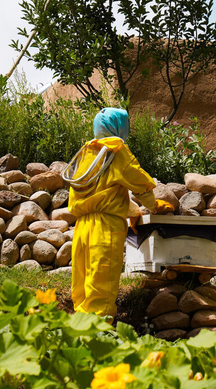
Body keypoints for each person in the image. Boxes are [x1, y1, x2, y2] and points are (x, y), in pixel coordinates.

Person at [65, 107, 158, 319]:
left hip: (81, 228)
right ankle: (101, 341)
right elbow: (138, 182)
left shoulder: (87, 152)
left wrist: (132, 209)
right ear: (119, 128)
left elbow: (104, 192)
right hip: (104, 229)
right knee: (101, 288)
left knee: (82, 286)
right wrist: (152, 205)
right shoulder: (116, 151)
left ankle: (78, 333)